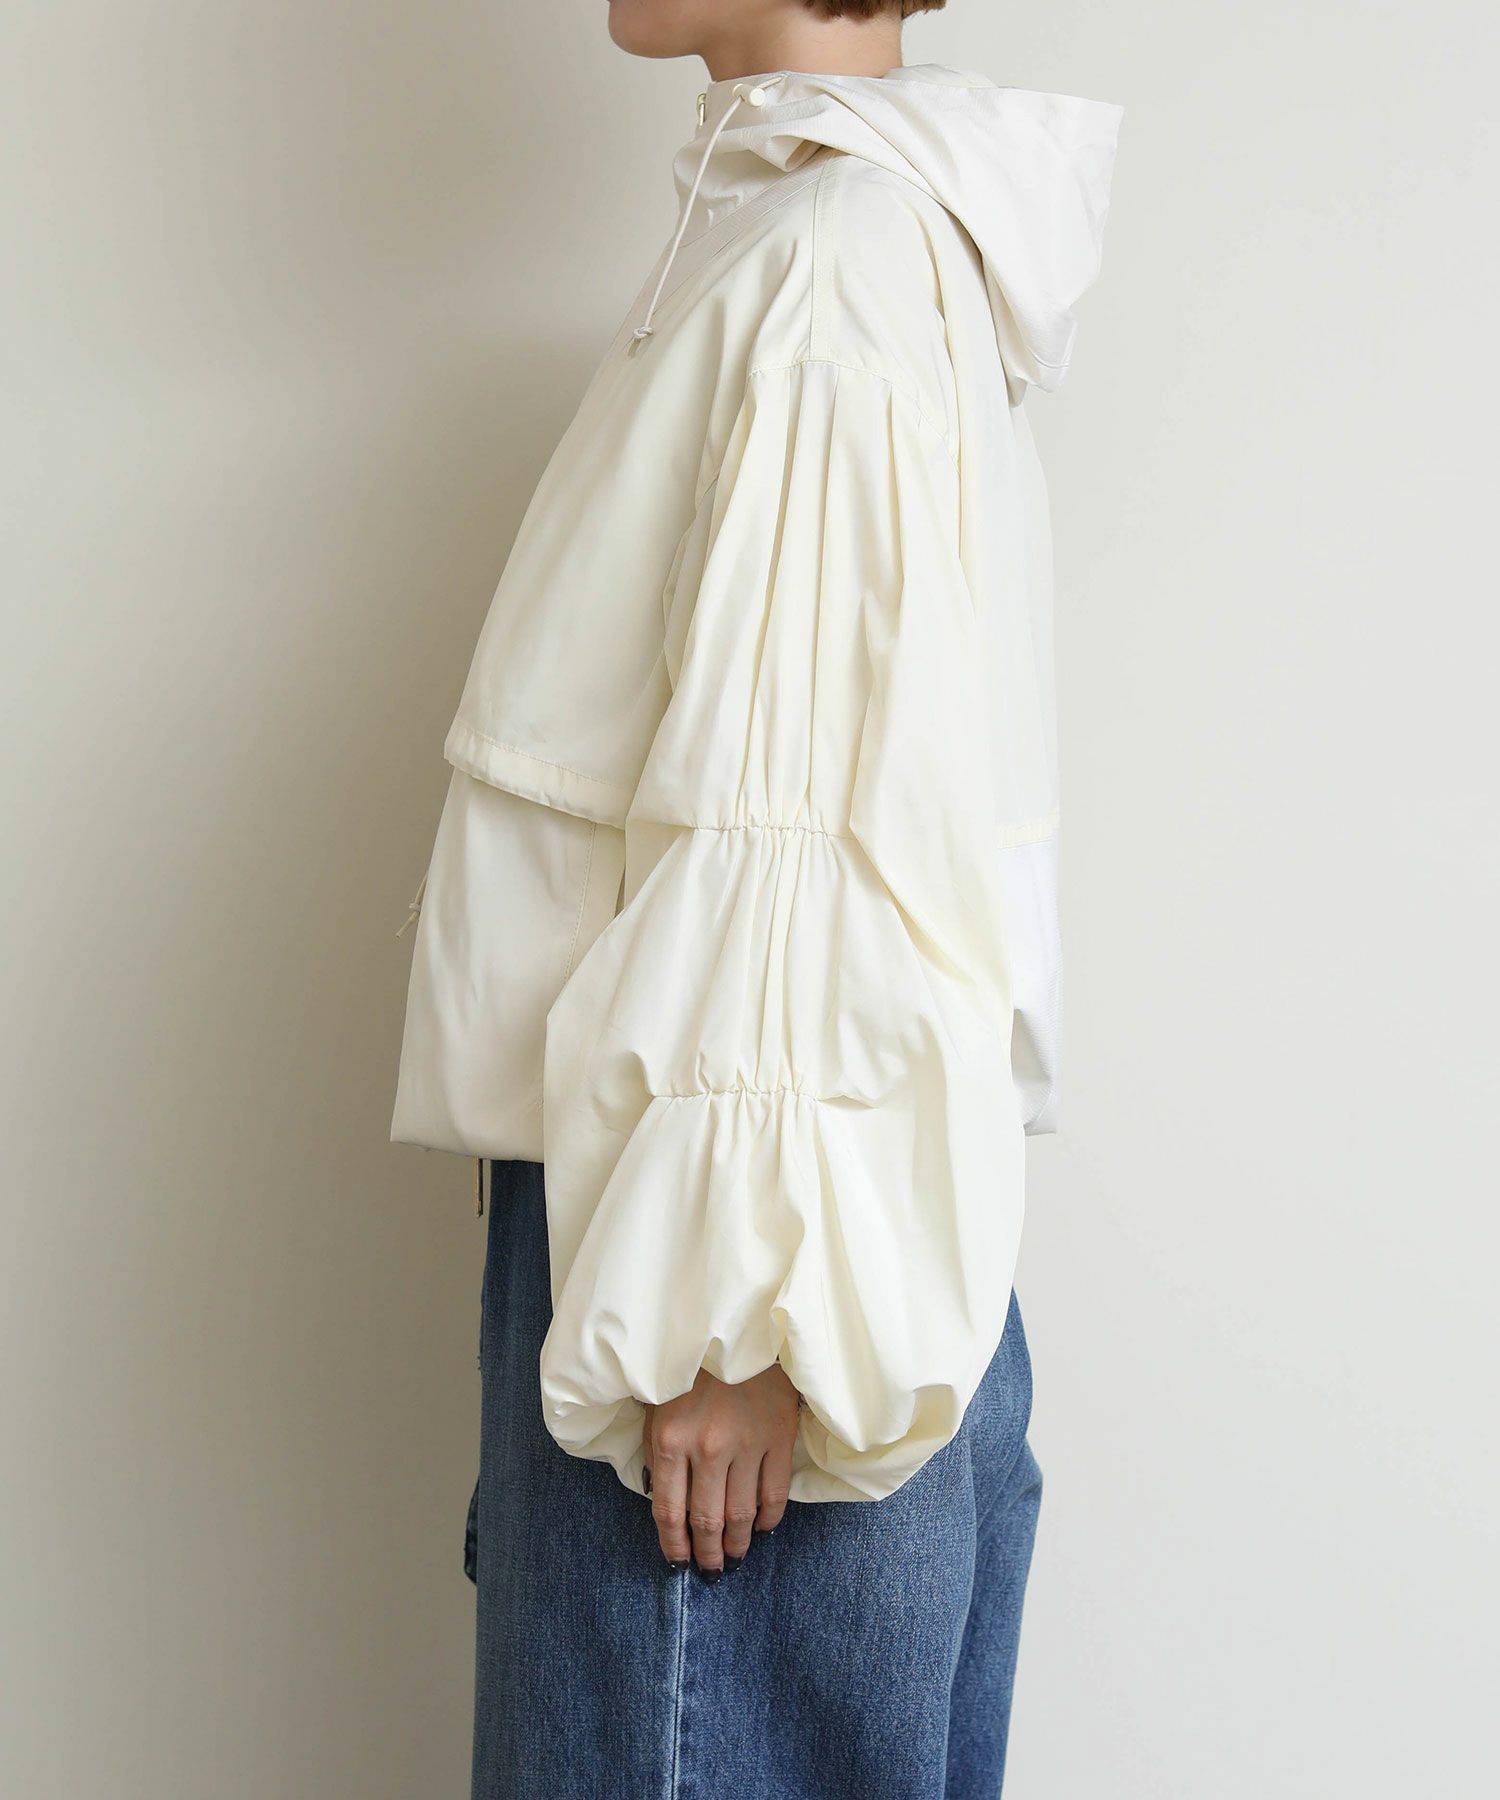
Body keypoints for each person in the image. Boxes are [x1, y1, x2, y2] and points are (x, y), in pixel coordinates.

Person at [392, 1, 1121, 1791]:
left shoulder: (830, 264)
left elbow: (804, 812)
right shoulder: (828, 239)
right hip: (765, 1226)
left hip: (728, 1292)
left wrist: (738, 1312)